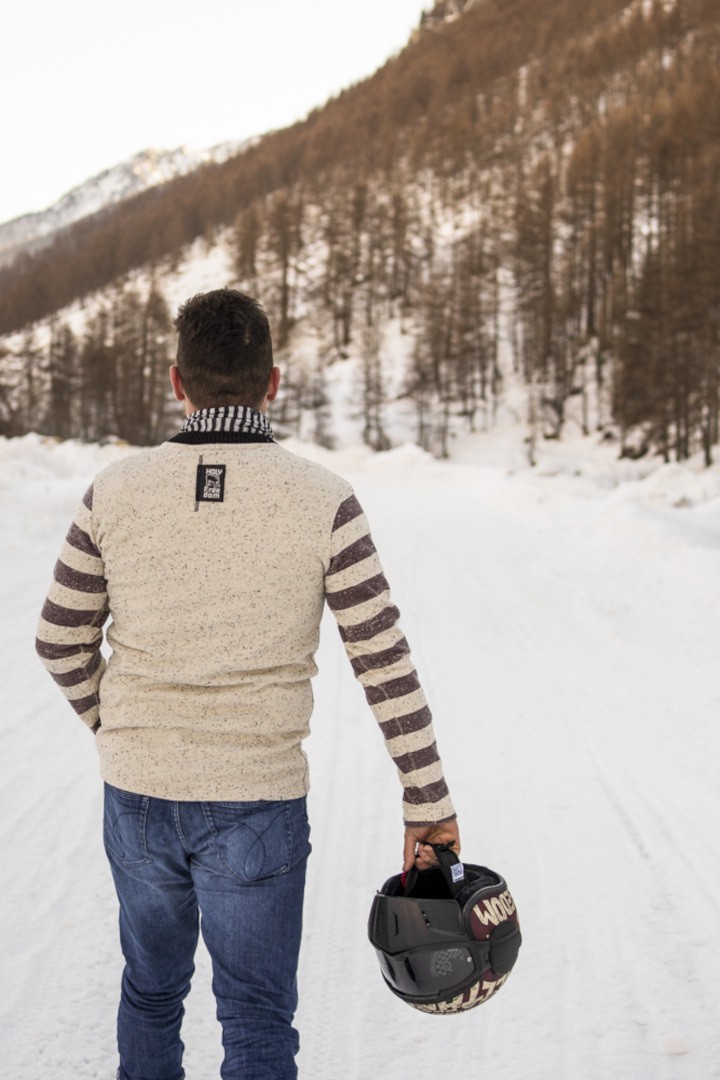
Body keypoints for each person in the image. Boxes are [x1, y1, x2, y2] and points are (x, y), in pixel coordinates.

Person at [36, 288, 460, 1080]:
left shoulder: (113, 492)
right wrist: (428, 804)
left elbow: (59, 639)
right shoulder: (324, 500)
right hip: (256, 804)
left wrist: (118, 726)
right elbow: (383, 662)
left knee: (151, 993)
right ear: (272, 383)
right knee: (257, 1017)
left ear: (176, 382)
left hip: (138, 794)